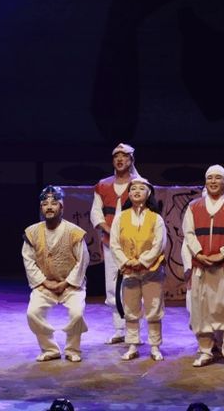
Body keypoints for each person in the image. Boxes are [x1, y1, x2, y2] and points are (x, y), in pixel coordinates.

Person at [182, 165, 224, 369]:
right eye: (210, 178)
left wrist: (223, 254)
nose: (213, 181)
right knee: (202, 310)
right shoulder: (194, 206)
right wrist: (199, 253)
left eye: (218, 178)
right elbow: (188, 233)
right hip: (201, 266)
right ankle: (205, 351)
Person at [23, 185, 89, 362]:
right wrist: (45, 282)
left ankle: (73, 349)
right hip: (45, 284)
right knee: (33, 313)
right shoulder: (32, 232)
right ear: (41, 208)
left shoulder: (74, 232)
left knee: (77, 313)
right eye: (45, 204)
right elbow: (28, 261)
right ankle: (49, 349)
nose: (49, 207)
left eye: (54, 203)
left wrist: (66, 283)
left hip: (71, 285)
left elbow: (82, 261)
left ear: (62, 207)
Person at [110, 176, 167, 361]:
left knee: (154, 308)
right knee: (130, 308)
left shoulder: (156, 218)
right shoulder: (121, 217)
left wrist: (142, 261)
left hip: (151, 270)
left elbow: (159, 244)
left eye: (141, 188)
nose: (136, 191)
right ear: (128, 193)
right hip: (129, 270)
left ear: (148, 193)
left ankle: (155, 346)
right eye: (133, 188)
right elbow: (114, 244)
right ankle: (133, 344)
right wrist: (126, 262)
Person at [90, 143, 139, 344]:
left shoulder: (139, 184)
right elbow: (96, 212)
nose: (120, 159)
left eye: (124, 156)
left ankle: (133, 330)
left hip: (134, 243)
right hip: (110, 242)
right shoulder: (103, 185)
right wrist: (108, 229)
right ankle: (119, 329)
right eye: (116, 156)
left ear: (131, 160)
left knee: (132, 282)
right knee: (112, 285)